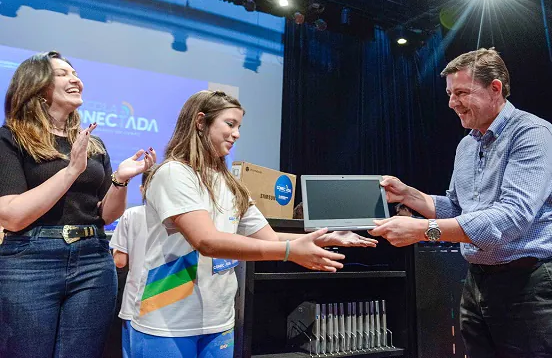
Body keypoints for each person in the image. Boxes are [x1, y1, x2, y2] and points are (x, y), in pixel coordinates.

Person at [130, 90, 375, 358]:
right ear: (200, 122)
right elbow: (207, 241)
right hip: (168, 319)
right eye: (230, 124)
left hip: (219, 320)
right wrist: (291, 252)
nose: (236, 134)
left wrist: (322, 238)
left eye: (239, 127)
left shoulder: (232, 185)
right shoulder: (174, 173)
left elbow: (268, 238)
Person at [369, 48, 552, 357]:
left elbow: (511, 218)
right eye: (450, 93)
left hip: (534, 281)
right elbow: (459, 208)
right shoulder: (467, 145)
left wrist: (424, 230)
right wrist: (409, 196)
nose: (452, 103)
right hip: (478, 281)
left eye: (462, 92)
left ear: (495, 88)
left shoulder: (533, 133)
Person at [0, 51, 156, 358]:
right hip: (29, 261)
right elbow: (12, 217)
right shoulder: (11, 138)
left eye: (76, 73)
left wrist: (120, 180)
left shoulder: (91, 143)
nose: (76, 80)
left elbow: (106, 214)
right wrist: (71, 170)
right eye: (63, 74)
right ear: (37, 86)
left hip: (94, 260)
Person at [109, 166, 157, 358]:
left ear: (142, 188)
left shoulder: (131, 215)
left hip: (135, 304)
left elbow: (120, 261)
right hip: (169, 304)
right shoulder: (182, 218)